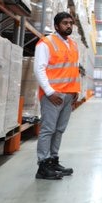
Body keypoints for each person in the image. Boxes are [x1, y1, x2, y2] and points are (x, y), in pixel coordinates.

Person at [34, 12, 80, 180]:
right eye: (65, 23)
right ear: (56, 26)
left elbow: (73, 69)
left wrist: (76, 90)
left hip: (68, 95)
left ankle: (53, 159)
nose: (69, 26)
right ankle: (43, 165)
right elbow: (39, 68)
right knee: (48, 129)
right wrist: (49, 91)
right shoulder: (46, 43)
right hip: (53, 95)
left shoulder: (73, 44)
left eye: (70, 23)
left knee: (59, 130)